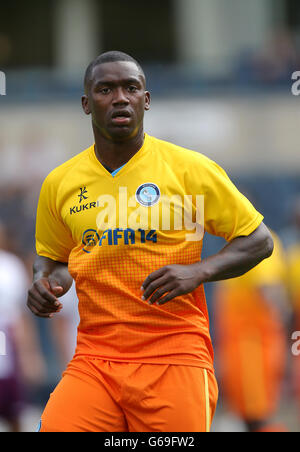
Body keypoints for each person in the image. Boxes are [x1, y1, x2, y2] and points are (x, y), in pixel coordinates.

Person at [27, 51, 274, 433]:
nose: (120, 97)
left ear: (146, 99)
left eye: (131, 87)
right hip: (95, 358)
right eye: (106, 89)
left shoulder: (190, 170)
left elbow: (259, 239)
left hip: (174, 354)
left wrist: (198, 271)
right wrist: (46, 282)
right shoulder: (60, 183)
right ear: (86, 104)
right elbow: (54, 258)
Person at [213, 231, 290, 432]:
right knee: (247, 414)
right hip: (241, 346)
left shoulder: (255, 240)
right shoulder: (235, 245)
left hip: (253, 347)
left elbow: (268, 289)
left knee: (257, 415)